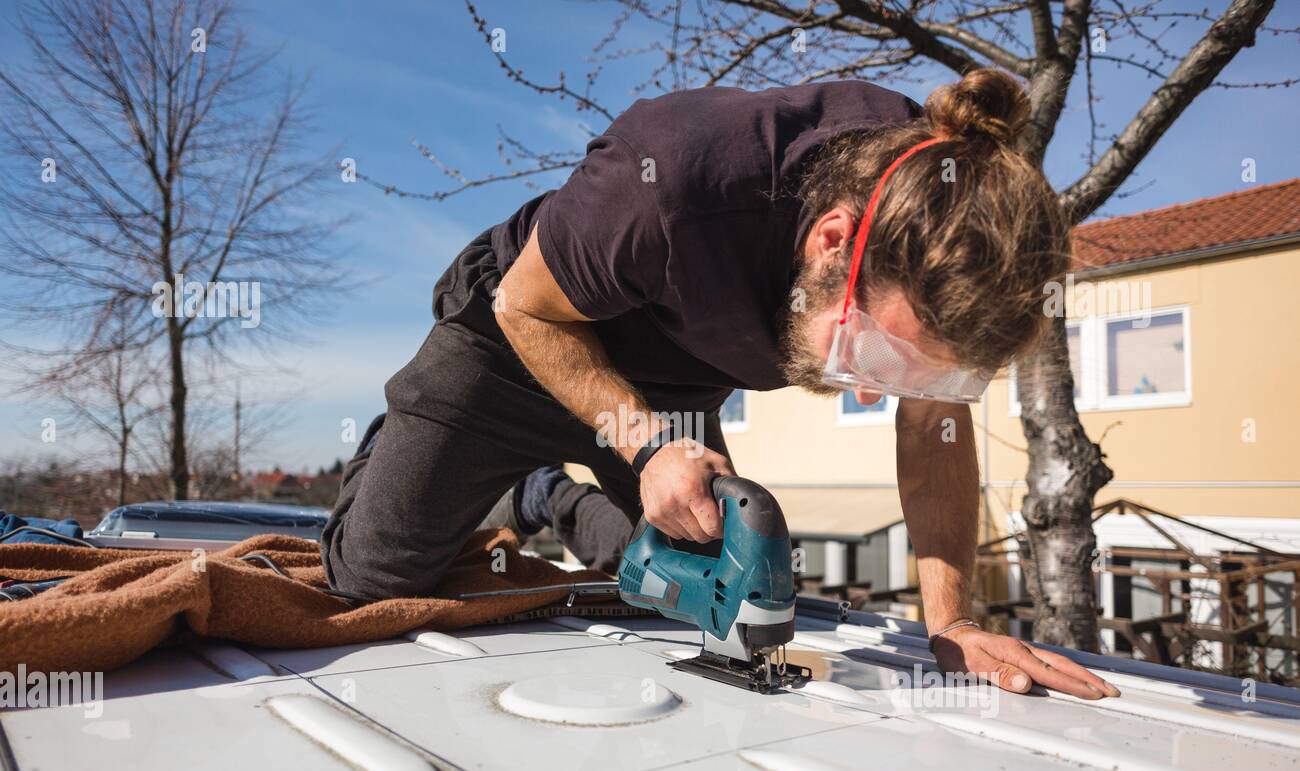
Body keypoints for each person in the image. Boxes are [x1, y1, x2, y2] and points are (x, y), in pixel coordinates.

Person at [322, 67, 1120, 701]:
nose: (873, 393)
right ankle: (416, 440)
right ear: (832, 241)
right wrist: (646, 448)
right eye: (869, 354)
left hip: (672, 387)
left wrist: (950, 622)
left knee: (696, 592)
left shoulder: (941, 230)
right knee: (371, 584)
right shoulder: (677, 175)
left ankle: (546, 497)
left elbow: (933, 431)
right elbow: (526, 307)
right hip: (514, 347)